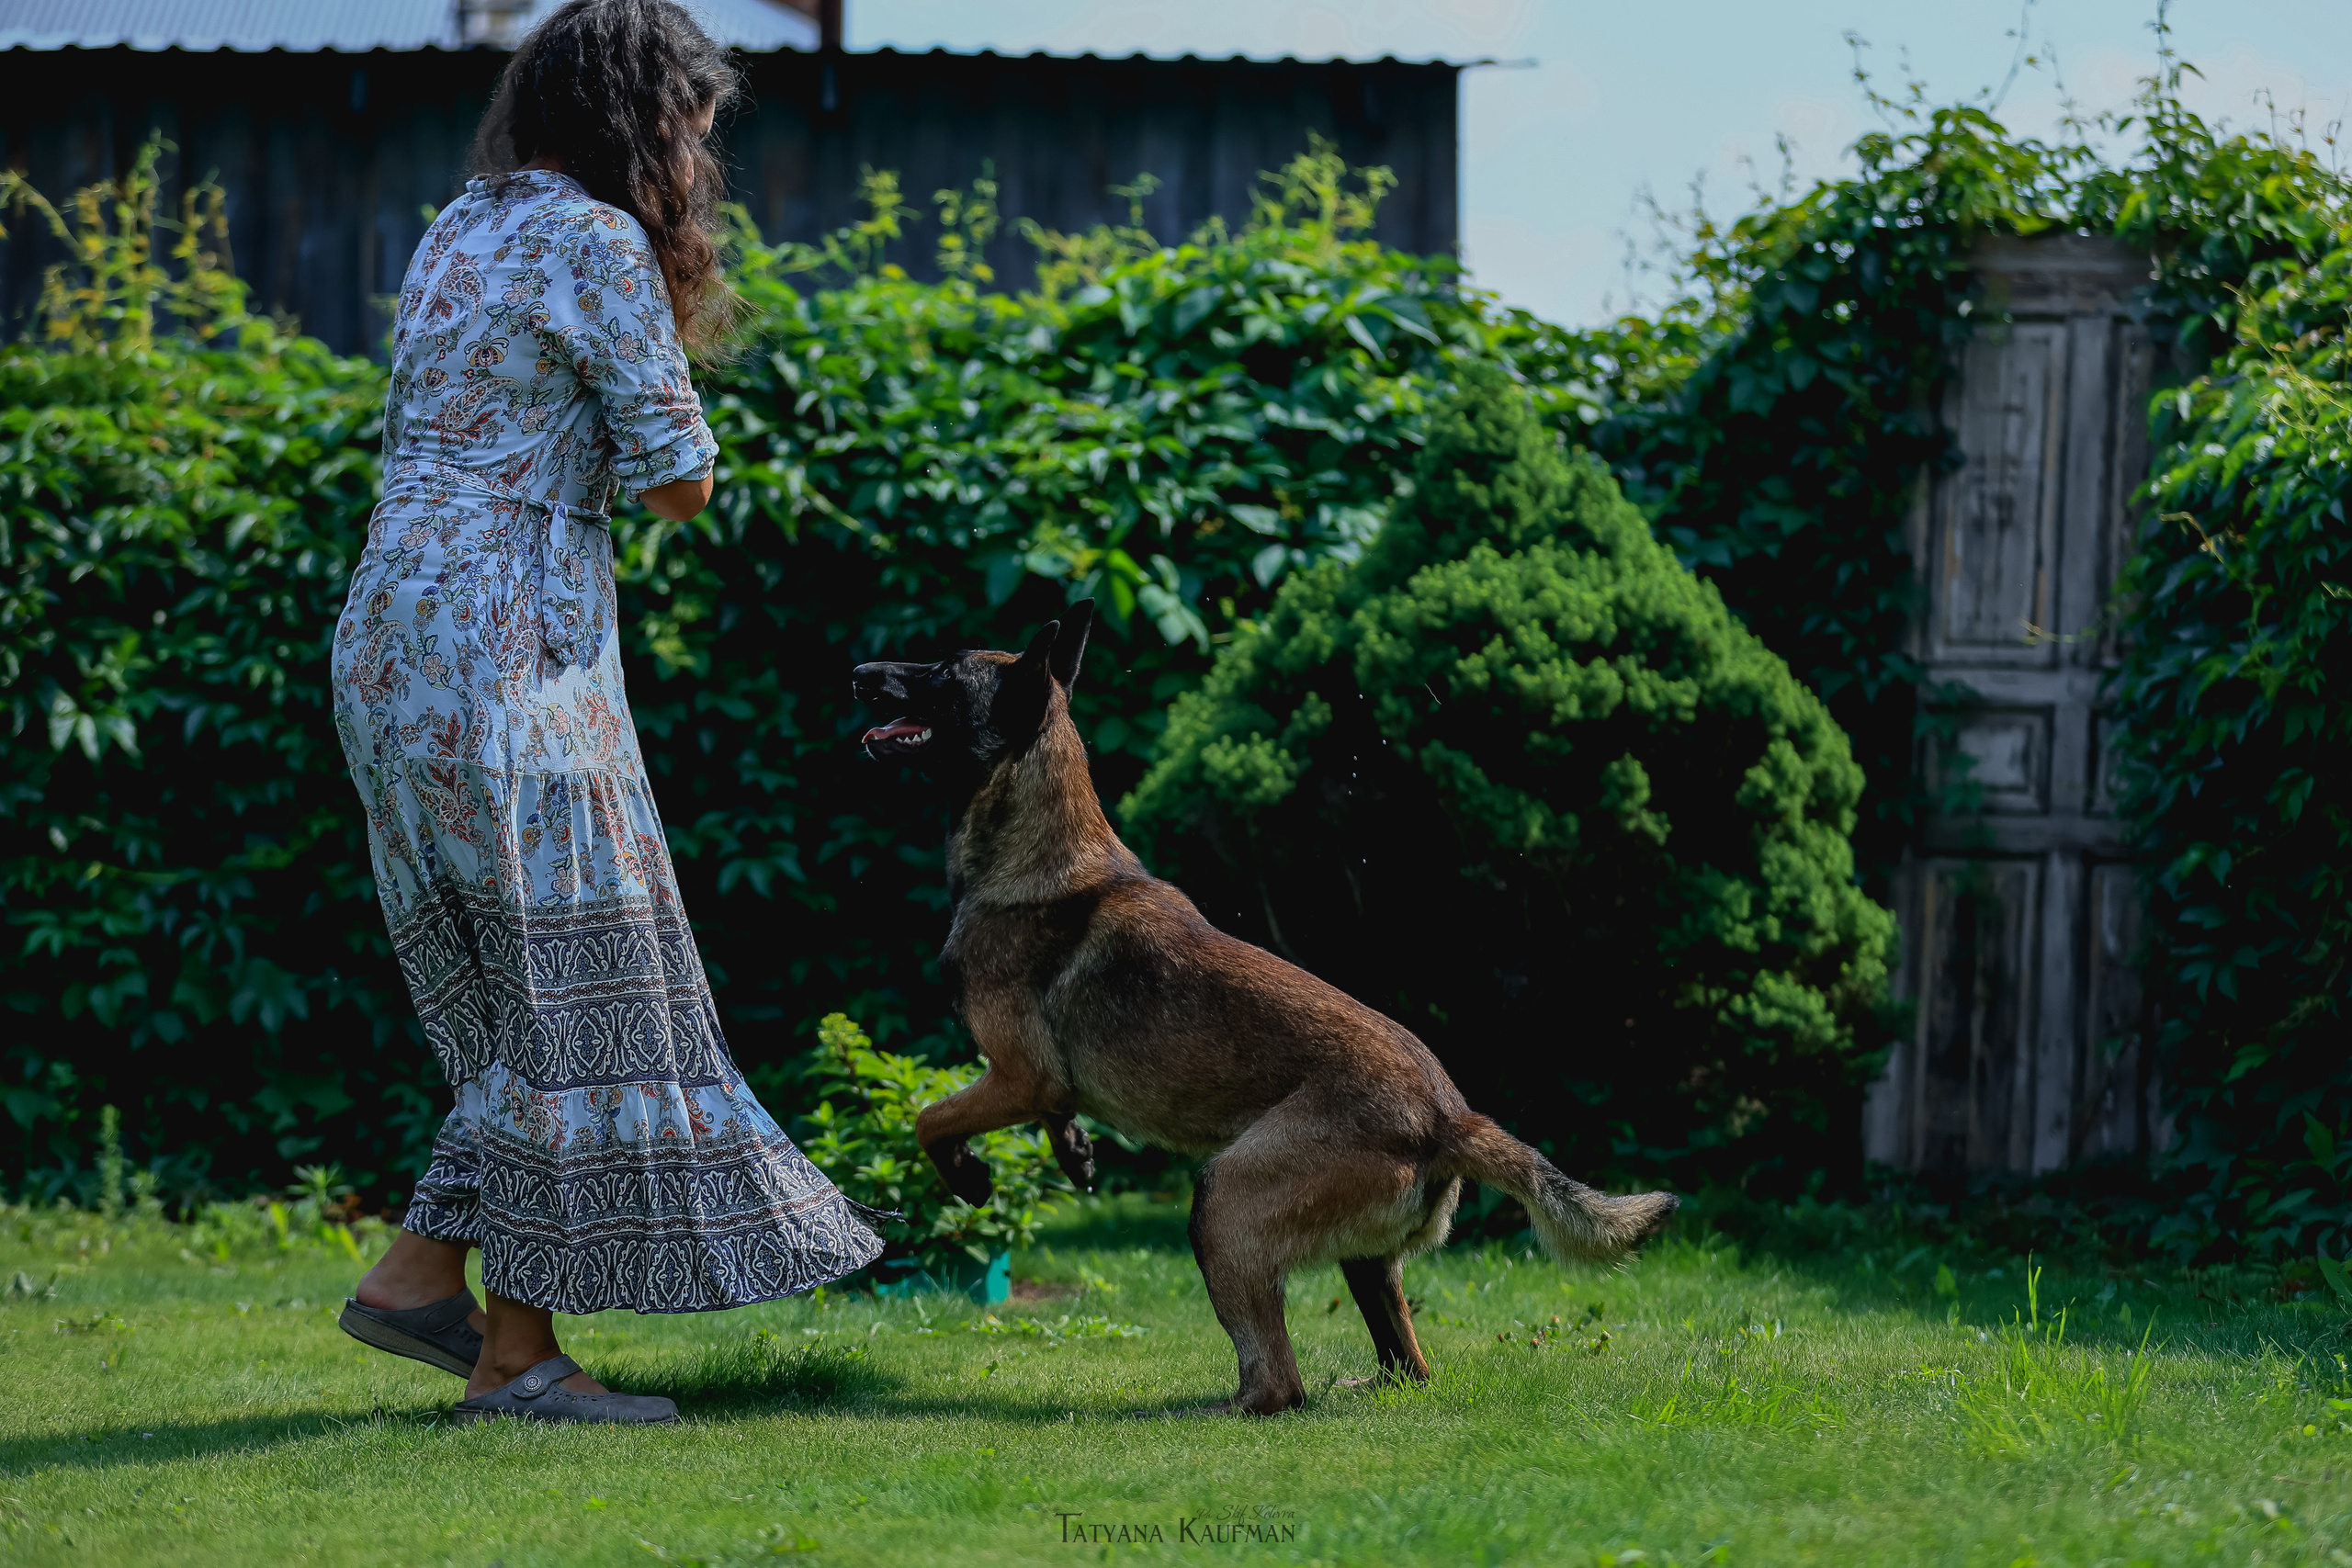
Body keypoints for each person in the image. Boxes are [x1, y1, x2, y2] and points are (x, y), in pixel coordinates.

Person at [327, 0, 881, 1426]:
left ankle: (427, 1289)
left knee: (528, 997)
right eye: (695, 121)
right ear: (648, 118)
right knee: (579, 987)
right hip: (510, 645)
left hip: (391, 638)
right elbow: (679, 478)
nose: (702, 151)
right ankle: (510, 1357)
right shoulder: (593, 239)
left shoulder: (462, 224)